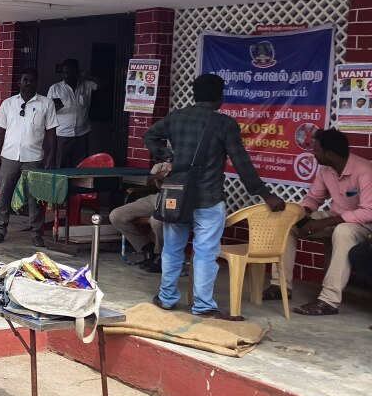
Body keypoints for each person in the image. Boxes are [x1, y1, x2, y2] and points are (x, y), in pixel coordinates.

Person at [144, 74, 286, 321]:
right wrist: (265, 194)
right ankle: (203, 306)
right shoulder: (224, 124)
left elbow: (150, 135)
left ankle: (166, 298)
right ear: (220, 97)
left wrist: (167, 157)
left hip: (176, 197)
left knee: (172, 249)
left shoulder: (176, 117)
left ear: (194, 94)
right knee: (205, 253)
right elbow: (242, 164)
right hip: (209, 198)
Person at [270, 129, 372, 316]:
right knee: (289, 224)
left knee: (343, 231)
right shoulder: (326, 170)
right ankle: (280, 286)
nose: (313, 154)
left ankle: (328, 301)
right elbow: (313, 199)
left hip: (364, 224)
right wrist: (304, 214)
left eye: (316, 151)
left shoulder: (364, 170)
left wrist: (324, 223)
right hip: (337, 217)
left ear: (330, 154)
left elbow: (368, 211)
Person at [0, 69, 57, 247]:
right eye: (25, 80)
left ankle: (36, 232)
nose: (29, 83)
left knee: (35, 197)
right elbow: (0, 132)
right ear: (19, 83)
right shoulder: (8, 104)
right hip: (9, 156)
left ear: (36, 83)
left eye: (32, 80)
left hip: (34, 157)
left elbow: (51, 132)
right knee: (4, 193)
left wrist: (51, 154)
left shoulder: (46, 103)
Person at [108, 162, 170, 272]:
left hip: (178, 200)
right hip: (160, 196)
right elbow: (151, 183)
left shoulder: (194, 158)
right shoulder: (166, 157)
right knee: (117, 215)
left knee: (156, 220)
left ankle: (160, 255)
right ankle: (147, 248)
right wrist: (159, 176)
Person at [47, 58, 99, 168]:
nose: (65, 76)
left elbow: (102, 83)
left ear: (77, 72)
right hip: (62, 135)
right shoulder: (55, 88)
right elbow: (49, 111)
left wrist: (85, 74)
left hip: (82, 135)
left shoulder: (86, 85)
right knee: (60, 166)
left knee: (80, 167)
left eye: (69, 72)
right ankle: (61, 186)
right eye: (64, 73)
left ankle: (76, 186)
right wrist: (53, 108)